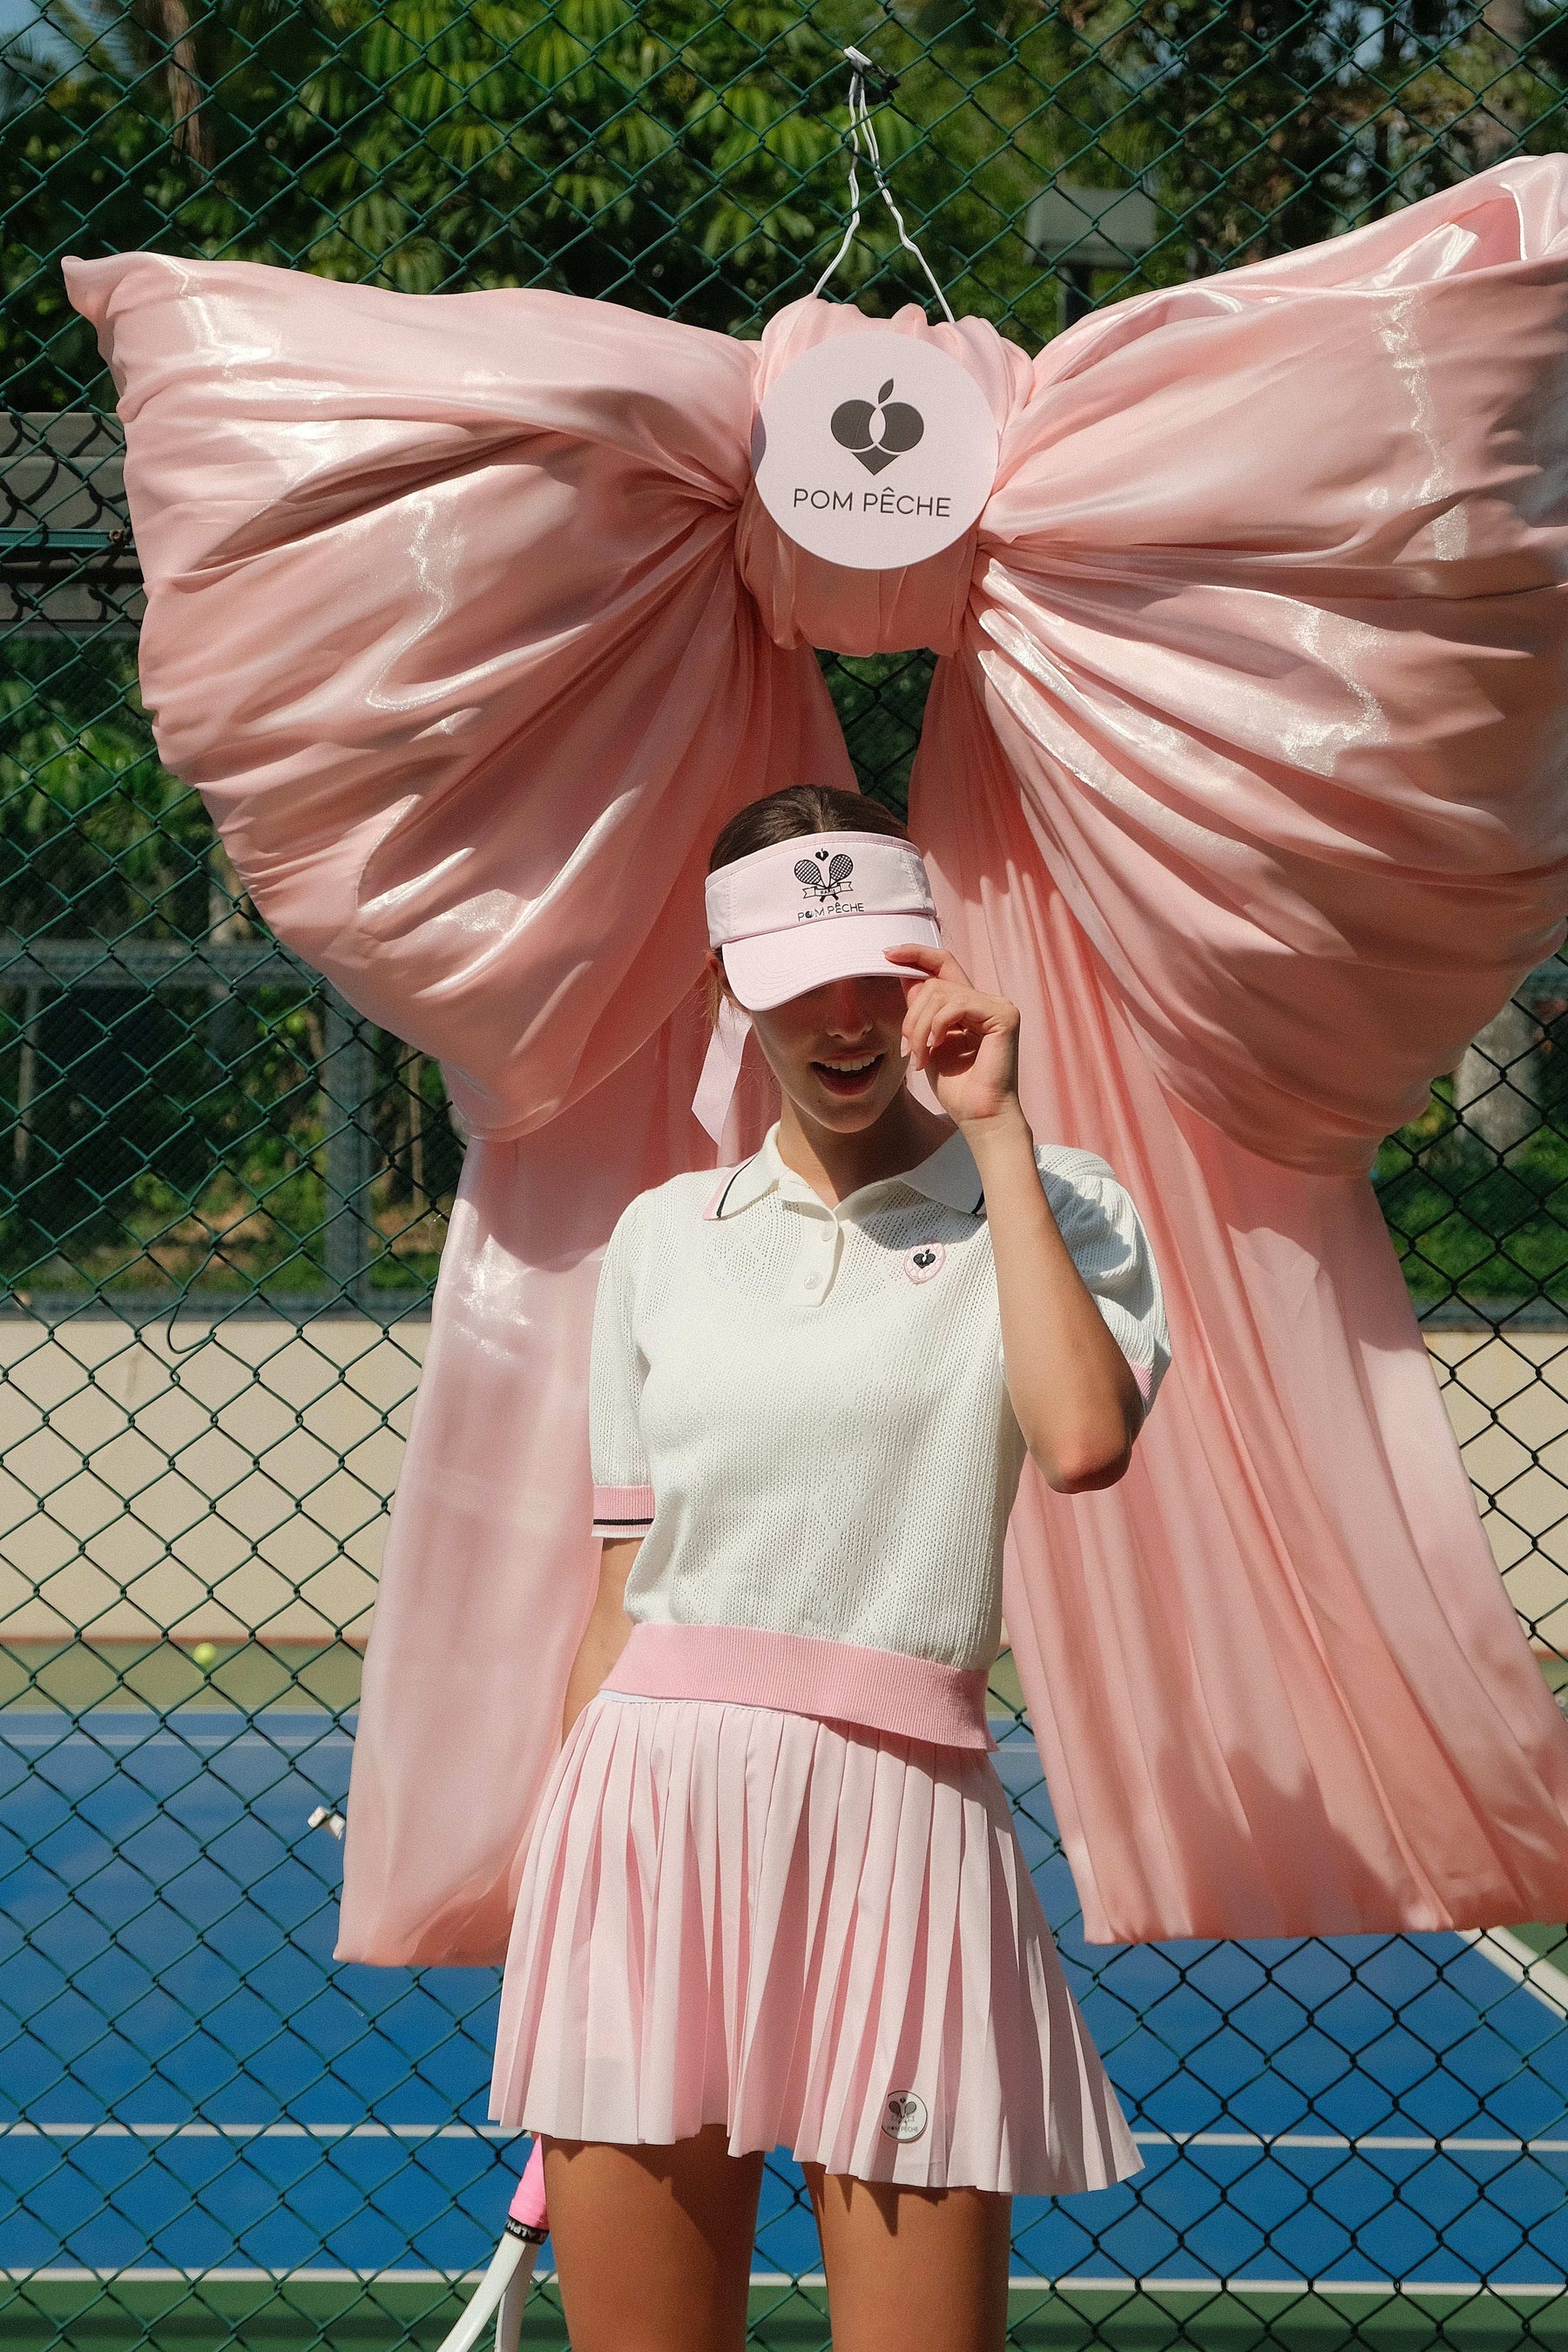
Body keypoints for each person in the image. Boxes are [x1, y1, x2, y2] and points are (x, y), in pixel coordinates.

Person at [486, 783, 1170, 2352]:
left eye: (878, 972)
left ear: (929, 972)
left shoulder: (1063, 1208)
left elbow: (1081, 1442)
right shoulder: (663, 1237)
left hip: (905, 1831)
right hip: (649, 1826)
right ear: (736, 988)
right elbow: (621, 1593)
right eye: (801, 984)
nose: (847, 1019)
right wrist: (570, 1902)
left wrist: (997, 1131)